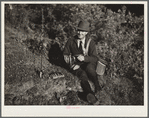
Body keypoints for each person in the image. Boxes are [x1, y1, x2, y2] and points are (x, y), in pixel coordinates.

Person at [63, 20, 101, 104]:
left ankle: (97, 85)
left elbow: (95, 58)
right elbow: (65, 54)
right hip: (75, 64)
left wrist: (84, 58)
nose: (80, 33)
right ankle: (89, 94)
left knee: (90, 69)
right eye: (79, 30)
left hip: (87, 63)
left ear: (86, 32)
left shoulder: (90, 42)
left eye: (83, 31)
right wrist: (71, 64)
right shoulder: (70, 41)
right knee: (82, 75)